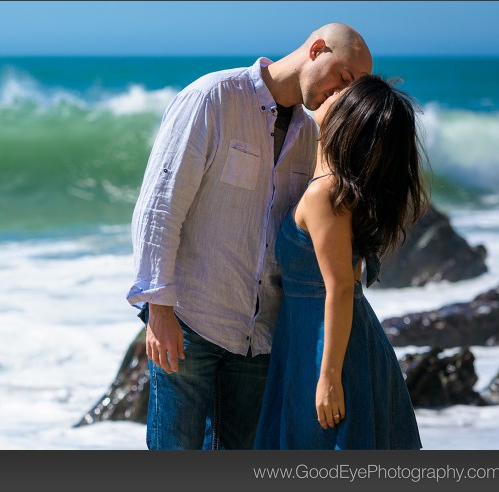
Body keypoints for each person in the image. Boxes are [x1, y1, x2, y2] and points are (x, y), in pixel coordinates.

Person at [127, 23, 372, 450]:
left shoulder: (312, 136)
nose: (343, 94)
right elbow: (160, 205)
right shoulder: (213, 98)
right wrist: (158, 308)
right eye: (344, 78)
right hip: (189, 322)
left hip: (259, 338)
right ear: (316, 50)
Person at [254, 74, 426, 450]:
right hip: (324, 336)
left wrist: (328, 376)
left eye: (339, 95)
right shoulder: (338, 187)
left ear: (347, 120)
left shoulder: (326, 193)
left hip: (324, 344)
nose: (330, 93)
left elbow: (341, 287)